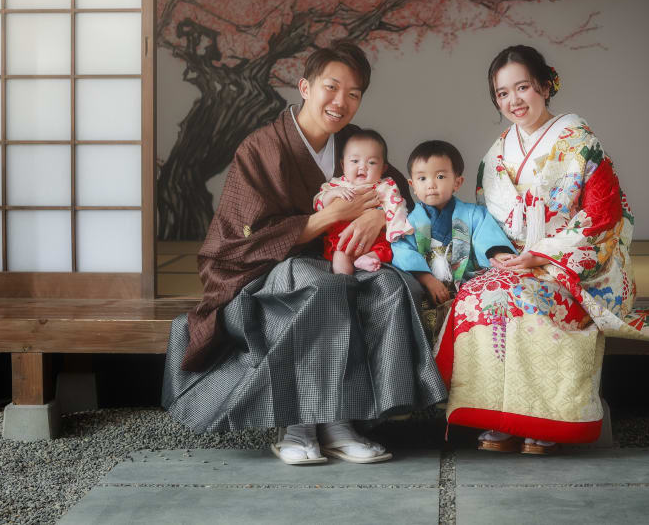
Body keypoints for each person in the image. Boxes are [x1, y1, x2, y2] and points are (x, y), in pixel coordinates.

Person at [162, 40, 447, 466]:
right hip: (269, 269)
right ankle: (298, 424)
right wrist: (327, 218)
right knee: (320, 285)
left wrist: (377, 219)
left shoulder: (354, 142)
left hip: (342, 259)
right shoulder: (262, 148)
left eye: (354, 94)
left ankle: (347, 421)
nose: (341, 102)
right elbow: (240, 238)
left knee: (390, 285)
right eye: (332, 88)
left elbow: (395, 188)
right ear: (305, 87)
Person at [434, 44, 641, 455]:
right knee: (480, 295)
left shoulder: (580, 141)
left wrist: (544, 255)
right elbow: (486, 220)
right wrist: (498, 255)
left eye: (522, 87)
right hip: (516, 261)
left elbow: (604, 216)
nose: (513, 100)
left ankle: (547, 419)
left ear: (545, 86)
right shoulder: (497, 153)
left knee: (531, 299)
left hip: (574, 264)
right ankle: (499, 416)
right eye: (502, 93)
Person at [390, 140, 515, 337]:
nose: (430, 184)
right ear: (412, 185)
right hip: (428, 292)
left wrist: (497, 253)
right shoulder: (407, 223)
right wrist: (428, 280)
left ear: (457, 182)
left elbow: (487, 237)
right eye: (422, 178)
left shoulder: (474, 214)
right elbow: (403, 252)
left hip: (467, 287)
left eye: (440, 176)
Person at [314, 129, 413, 275]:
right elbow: (318, 203)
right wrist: (333, 194)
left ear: (383, 168)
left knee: (386, 252)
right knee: (340, 256)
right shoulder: (337, 185)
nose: (362, 167)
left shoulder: (385, 187)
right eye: (354, 161)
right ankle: (344, 283)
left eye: (372, 162)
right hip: (343, 237)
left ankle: (367, 260)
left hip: (375, 238)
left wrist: (394, 230)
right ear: (343, 165)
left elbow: (397, 208)